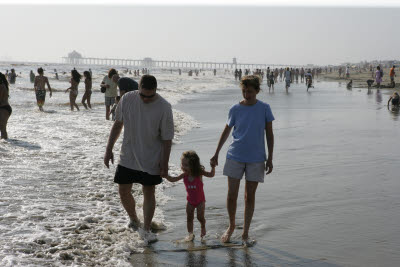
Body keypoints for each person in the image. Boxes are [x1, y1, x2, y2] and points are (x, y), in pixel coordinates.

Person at [104, 75, 174, 243]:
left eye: (150, 96)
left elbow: (167, 139)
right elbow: (118, 124)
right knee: (123, 190)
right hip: (128, 155)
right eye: (143, 95)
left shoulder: (164, 107)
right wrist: (108, 149)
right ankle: (134, 219)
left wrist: (164, 164)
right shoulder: (128, 98)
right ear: (138, 88)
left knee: (149, 191)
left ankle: (147, 228)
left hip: (151, 157)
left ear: (155, 91)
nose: (146, 99)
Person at [210, 75, 274, 245]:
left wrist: (270, 158)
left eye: (250, 92)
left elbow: (269, 134)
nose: (247, 94)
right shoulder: (235, 109)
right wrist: (216, 153)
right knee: (232, 195)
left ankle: (245, 232)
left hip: (256, 158)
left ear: (257, 91)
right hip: (235, 156)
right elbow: (226, 131)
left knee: (249, 196)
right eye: (244, 91)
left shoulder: (265, 108)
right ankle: (231, 226)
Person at [165, 151, 215, 241]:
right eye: (182, 164)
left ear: (193, 165)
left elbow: (211, 175)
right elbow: (173, 179)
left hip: (200, 201)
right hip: (190, 201)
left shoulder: (199, 173)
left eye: (186, 165)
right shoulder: (184, 175)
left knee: (200, 217)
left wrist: (213, 167)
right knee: (189, 218)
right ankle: (190, 235)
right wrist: (166, 176)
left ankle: (203, 226)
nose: (183, 167)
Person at [0, 72, 12, 139]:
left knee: (3, 129)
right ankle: (6, 145)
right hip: (5, 109)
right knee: (3, 129)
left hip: (3, 109)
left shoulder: (1, 86)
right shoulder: (4, 85)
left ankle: (6, 145)